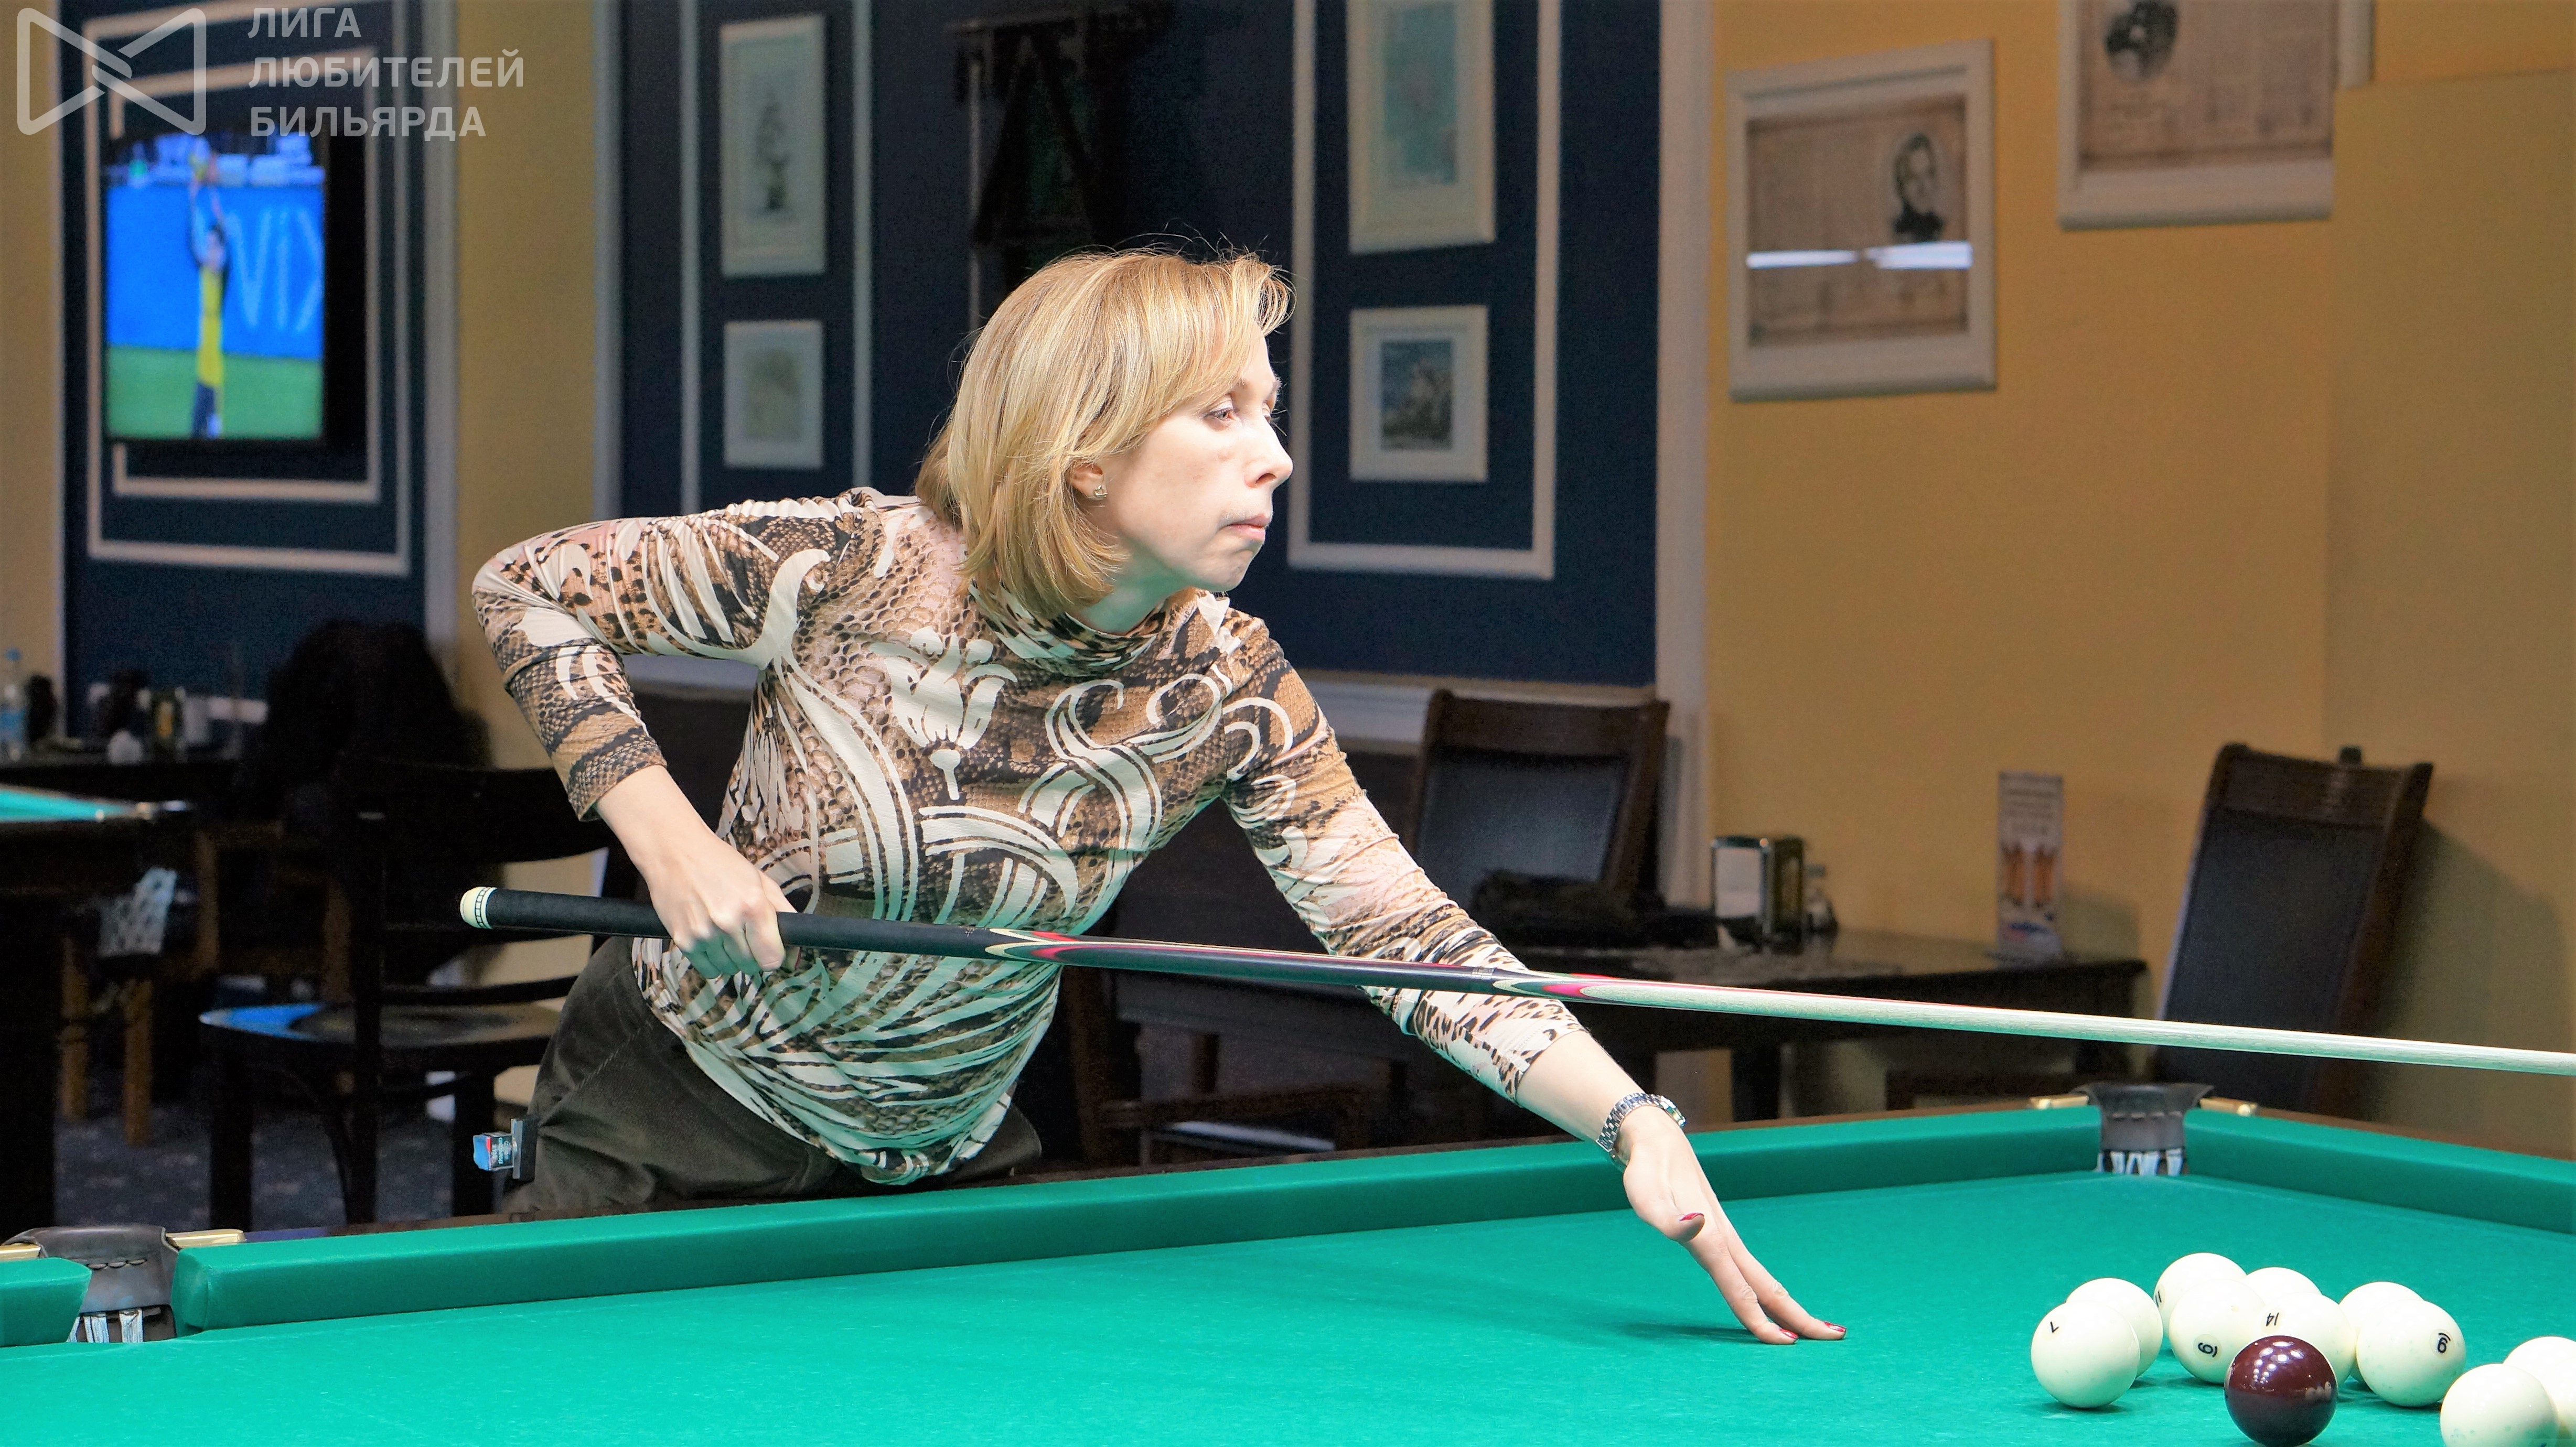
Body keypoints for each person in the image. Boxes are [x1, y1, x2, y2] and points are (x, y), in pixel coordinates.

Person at [474, 249, 1840, 1345]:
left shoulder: (1226, 685)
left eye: (1271, 412)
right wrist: (669, 842)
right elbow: (526, 588)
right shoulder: (851, 570)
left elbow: (1403, 938)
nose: (1276, 457)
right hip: (675, 1113)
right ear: (1085, 449)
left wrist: (1633, 1122)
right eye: (1222, 413)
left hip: (944, 1156)